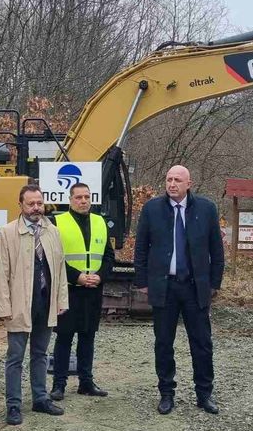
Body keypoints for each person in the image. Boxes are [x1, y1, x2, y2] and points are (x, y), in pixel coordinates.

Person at [134, 165, 225, 415]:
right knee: (163, 343)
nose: (172, 184)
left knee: (202, 343)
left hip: (196, 288)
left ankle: (204, 393)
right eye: (168, 179)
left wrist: (214, 283)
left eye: (177, 180)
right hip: (165, 286)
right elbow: (141, 247)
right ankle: (166, 393)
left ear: (189, 183)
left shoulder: (206, 209)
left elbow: (216, 250)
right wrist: (142, 281)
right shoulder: (152, 209)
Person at [0, 184, 69, 426]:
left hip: (45, 303)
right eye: (31, 204)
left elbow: (60, 268)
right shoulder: (7, 233)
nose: (36, 208)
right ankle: (13, 406)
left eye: (39, 203)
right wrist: (4, 308)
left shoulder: (51, 231)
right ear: (21, 205)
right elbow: (0, 273)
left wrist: (61, 300)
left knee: (40, 354)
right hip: (19, 305)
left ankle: (40, 398)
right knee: (15, 357)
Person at [50, 183, 114, 401]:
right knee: (64, 338)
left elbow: (108, 257)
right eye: (78, 197)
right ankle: (59, 384)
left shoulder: (100, 222)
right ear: (70, 200)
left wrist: (101, 275)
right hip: (69, 290)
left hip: (92, 291)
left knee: (88, 338)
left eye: (87, 197)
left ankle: (86, 382)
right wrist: (75, 276)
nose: (83, 201)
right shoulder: (57, 222)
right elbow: (54, 259)